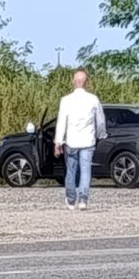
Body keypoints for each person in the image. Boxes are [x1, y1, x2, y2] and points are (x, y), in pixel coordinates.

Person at [52, 67, 107, 208]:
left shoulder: (66, 100)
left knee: (71, 170)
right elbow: (100, 121)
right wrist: (101, 135)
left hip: (71, 141)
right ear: (86, 83)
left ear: (73, 82)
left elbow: (61, 122)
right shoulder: (93, 99)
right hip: (88, 141)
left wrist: (58, 142)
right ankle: (83, 199)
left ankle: (71, 199)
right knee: (85, 170)